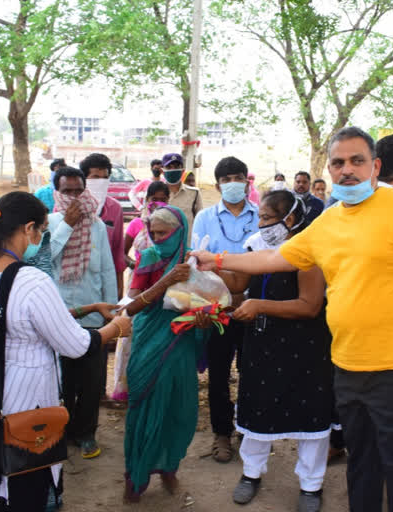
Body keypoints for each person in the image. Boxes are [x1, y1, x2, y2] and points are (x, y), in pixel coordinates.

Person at [192, 127, 393, 511]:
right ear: (330, 169)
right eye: (338, 162)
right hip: (348, 368)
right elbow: (273, 258)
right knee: (362, 469)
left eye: (357, 161)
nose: (347, 170)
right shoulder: (329, 222)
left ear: (375, 166)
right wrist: (217, 260)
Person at [0, 192, 131, 511]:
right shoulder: (30, 281)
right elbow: (75, 345)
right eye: (42, 231)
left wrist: (86, 309)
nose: (40, 239)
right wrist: (114, 330)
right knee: (22, 487)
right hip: (22, 402)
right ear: (29, 229)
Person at [222, 190, 333, 512]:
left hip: (306, 345)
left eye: (269, 219)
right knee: (258, 404)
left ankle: (311, 485)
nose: (262, 224)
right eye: (260, 217)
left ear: (292, 219)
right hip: (264, 343)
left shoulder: (309, 250)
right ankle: (251, 473)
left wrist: (259, 306)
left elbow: (309, 305)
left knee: (310, 412)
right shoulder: (257, 244)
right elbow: (238, 284)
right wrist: (210, 266)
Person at [121, 205, 211, 503]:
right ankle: (135, 473)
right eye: (153, 233)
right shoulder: (148, 257)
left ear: (180, 231)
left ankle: (169, 468)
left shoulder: (193, 259)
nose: (158, 239)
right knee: (143, 406)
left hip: (181, 341)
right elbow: (132, 303)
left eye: (164, 233)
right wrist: (167, 280)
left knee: (177, 407)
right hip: (149, 341)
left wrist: (204, 320)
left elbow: (207, 299)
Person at [192, 156, 259, 463]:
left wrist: (239, 287)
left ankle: (249, 429)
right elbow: (198, 263)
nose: (234, 183)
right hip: (217, 307)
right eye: (227, 178)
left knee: (252, 370)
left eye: (239, 177)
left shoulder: (261, 215)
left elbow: (268, 258)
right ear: (218, 185)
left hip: (254, 304)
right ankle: (222, 433)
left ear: (247, 180)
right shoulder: (205, 217)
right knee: (219, 373)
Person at [48, 167, 117, 459]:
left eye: (79, 191)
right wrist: (66, 225)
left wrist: (112, 314)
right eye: (68, 192)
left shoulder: (97, 225)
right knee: (61, 381)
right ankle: (61, 432)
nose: (75, 198)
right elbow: (44, 258)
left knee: (91, 381)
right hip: (57, 316)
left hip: (93, 317)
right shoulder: (48, 223)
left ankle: (86, 432)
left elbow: (107, 269)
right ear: (57, 193)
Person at [79, 153, 126, 298]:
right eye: (95, 177)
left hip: (106, 278)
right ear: (85, 179)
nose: (101, 181)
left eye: (105, 178)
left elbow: (118, 251)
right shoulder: (70, 207)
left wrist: (119, 288)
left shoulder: (115, 209)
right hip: (78, 280)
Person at [125, 181, 170, 271]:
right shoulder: (136, 224)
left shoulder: (173, 225)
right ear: (147, 200)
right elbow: (122, 253)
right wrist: (134, 265)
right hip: (139, 277)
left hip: (167, 277)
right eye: (154, 199)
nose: (158, 204)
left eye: (163, 200)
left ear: (168, 200)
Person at [160, 153, 203, 241]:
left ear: (183, 171)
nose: (173, 170)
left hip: (186, 248)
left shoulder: (194, 193)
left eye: (176, 167)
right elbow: (146, 221)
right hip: (162, 248)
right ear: (162, 171)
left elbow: (201, 222)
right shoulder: (155, 194)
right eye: (169, 167)